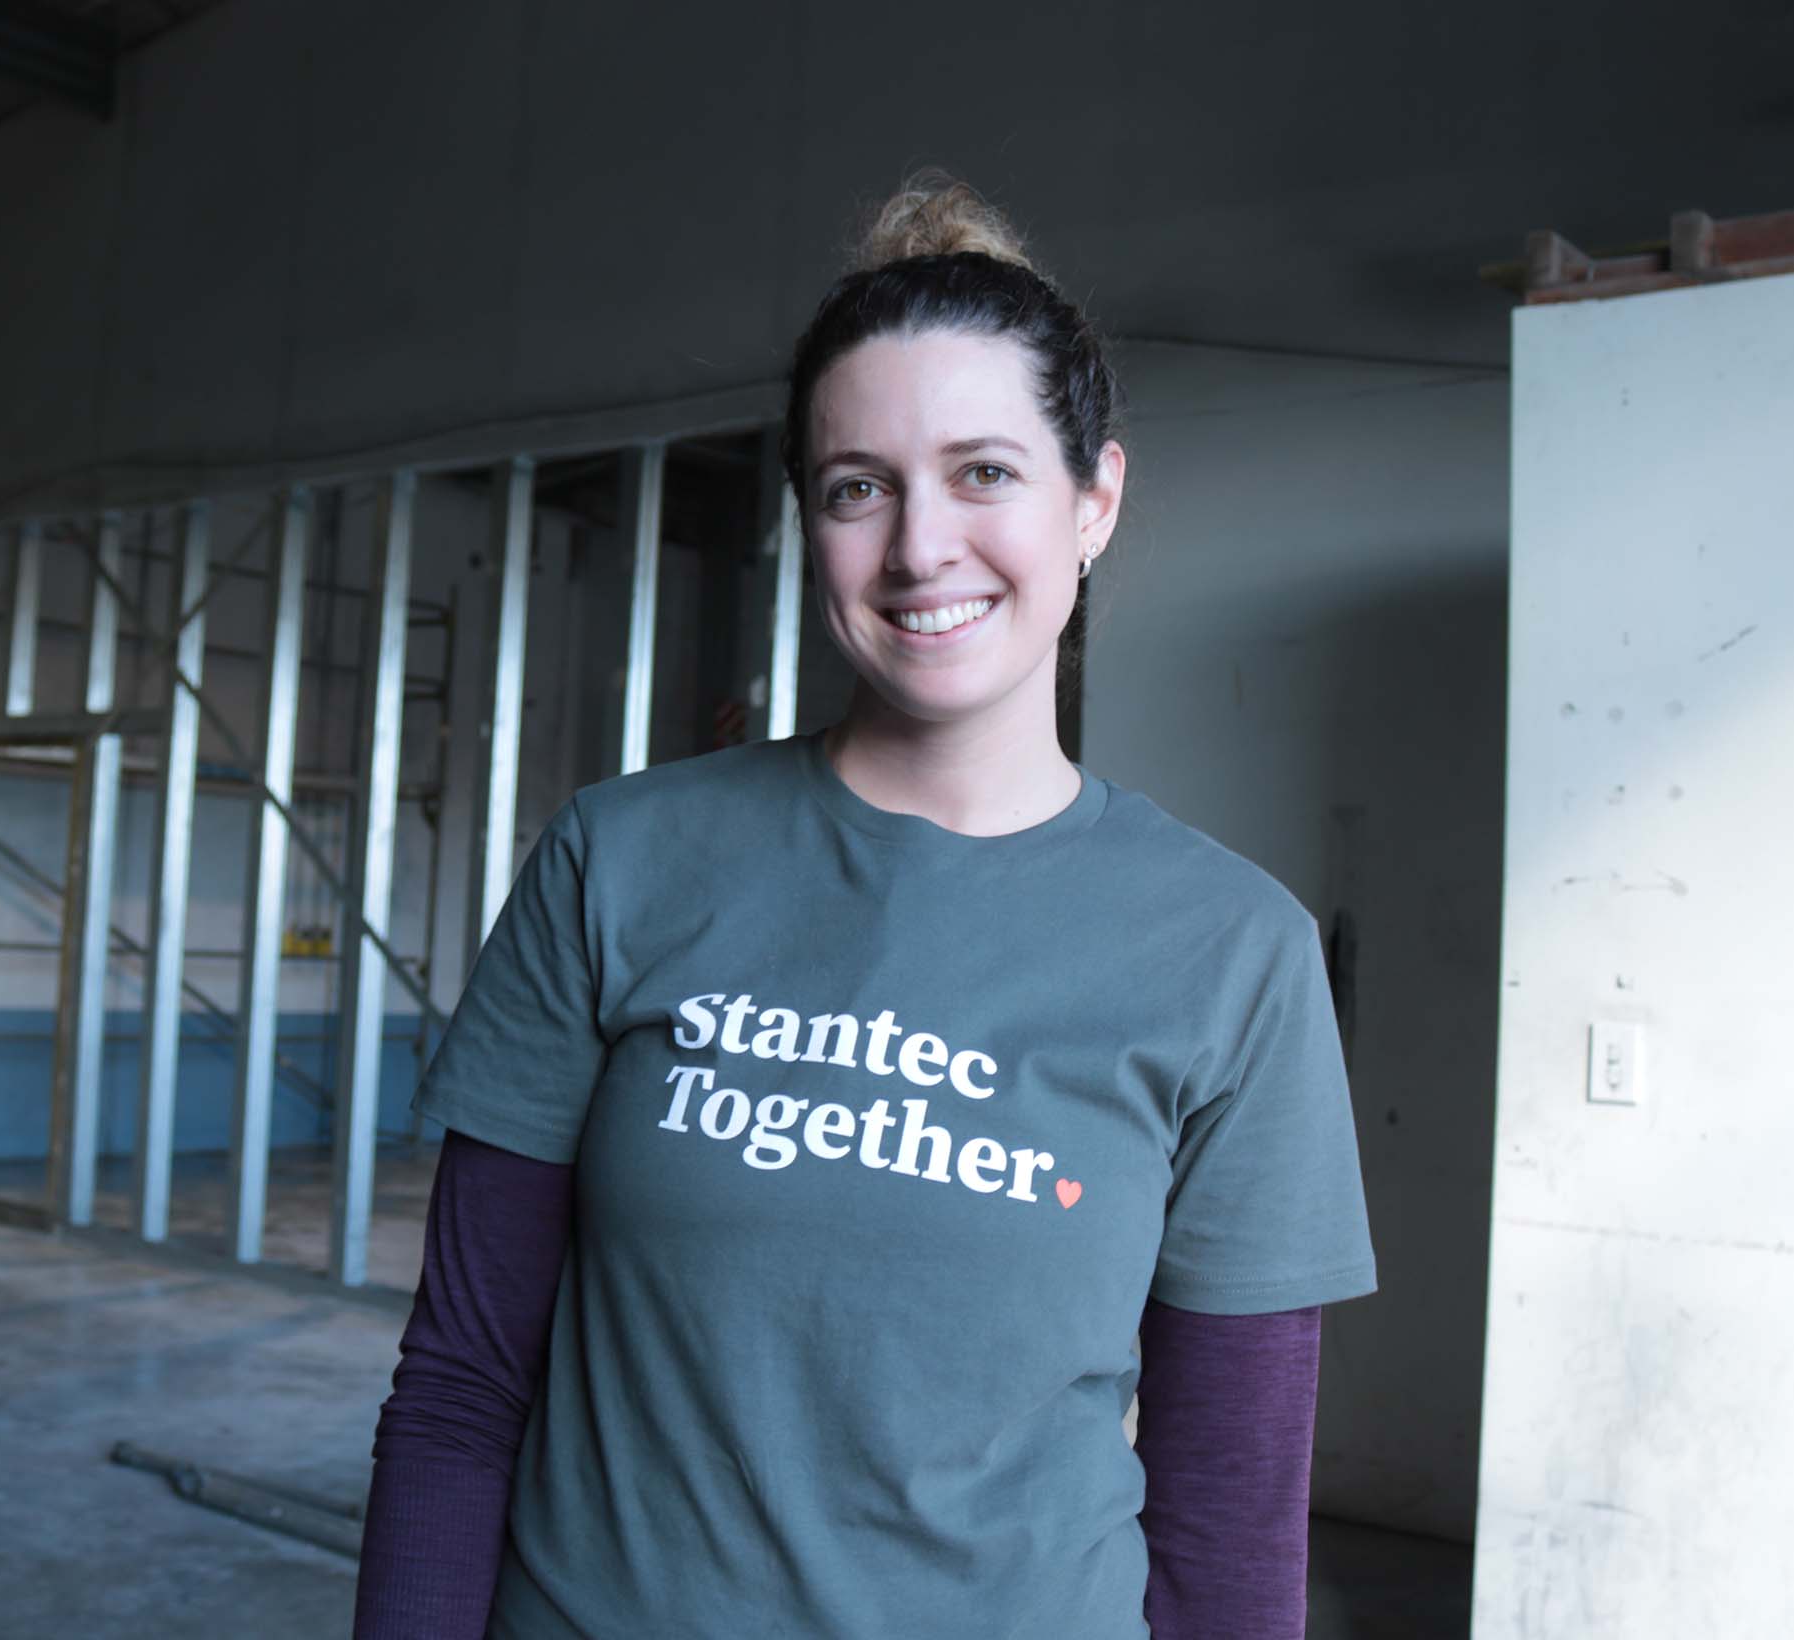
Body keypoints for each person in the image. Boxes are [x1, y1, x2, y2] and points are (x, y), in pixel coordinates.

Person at [352, 173, 1377, 1639]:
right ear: (808, 524)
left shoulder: (1233, 953)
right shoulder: (620, 860)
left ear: (1096, 501)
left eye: (985, 473)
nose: (917, 547)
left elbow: (1230, 1515)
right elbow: (461, 1388)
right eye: (858, 487)